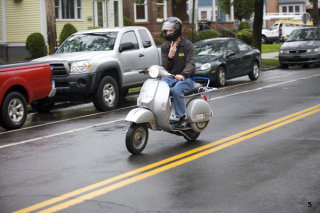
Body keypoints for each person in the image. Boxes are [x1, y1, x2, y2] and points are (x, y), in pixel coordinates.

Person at [161, 17, 195, 129]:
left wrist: (184, 75)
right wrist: (170, 56)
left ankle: (182, 117)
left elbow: (191, 63)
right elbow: (165, 67)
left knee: (177, 90)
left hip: (187, 79)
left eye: (170, 30)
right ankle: (162, 114)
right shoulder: (165, 46)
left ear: (177, 30)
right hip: (171, 77)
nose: (168, 33)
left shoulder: (188, 45)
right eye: (166, 31)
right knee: (158, 86)